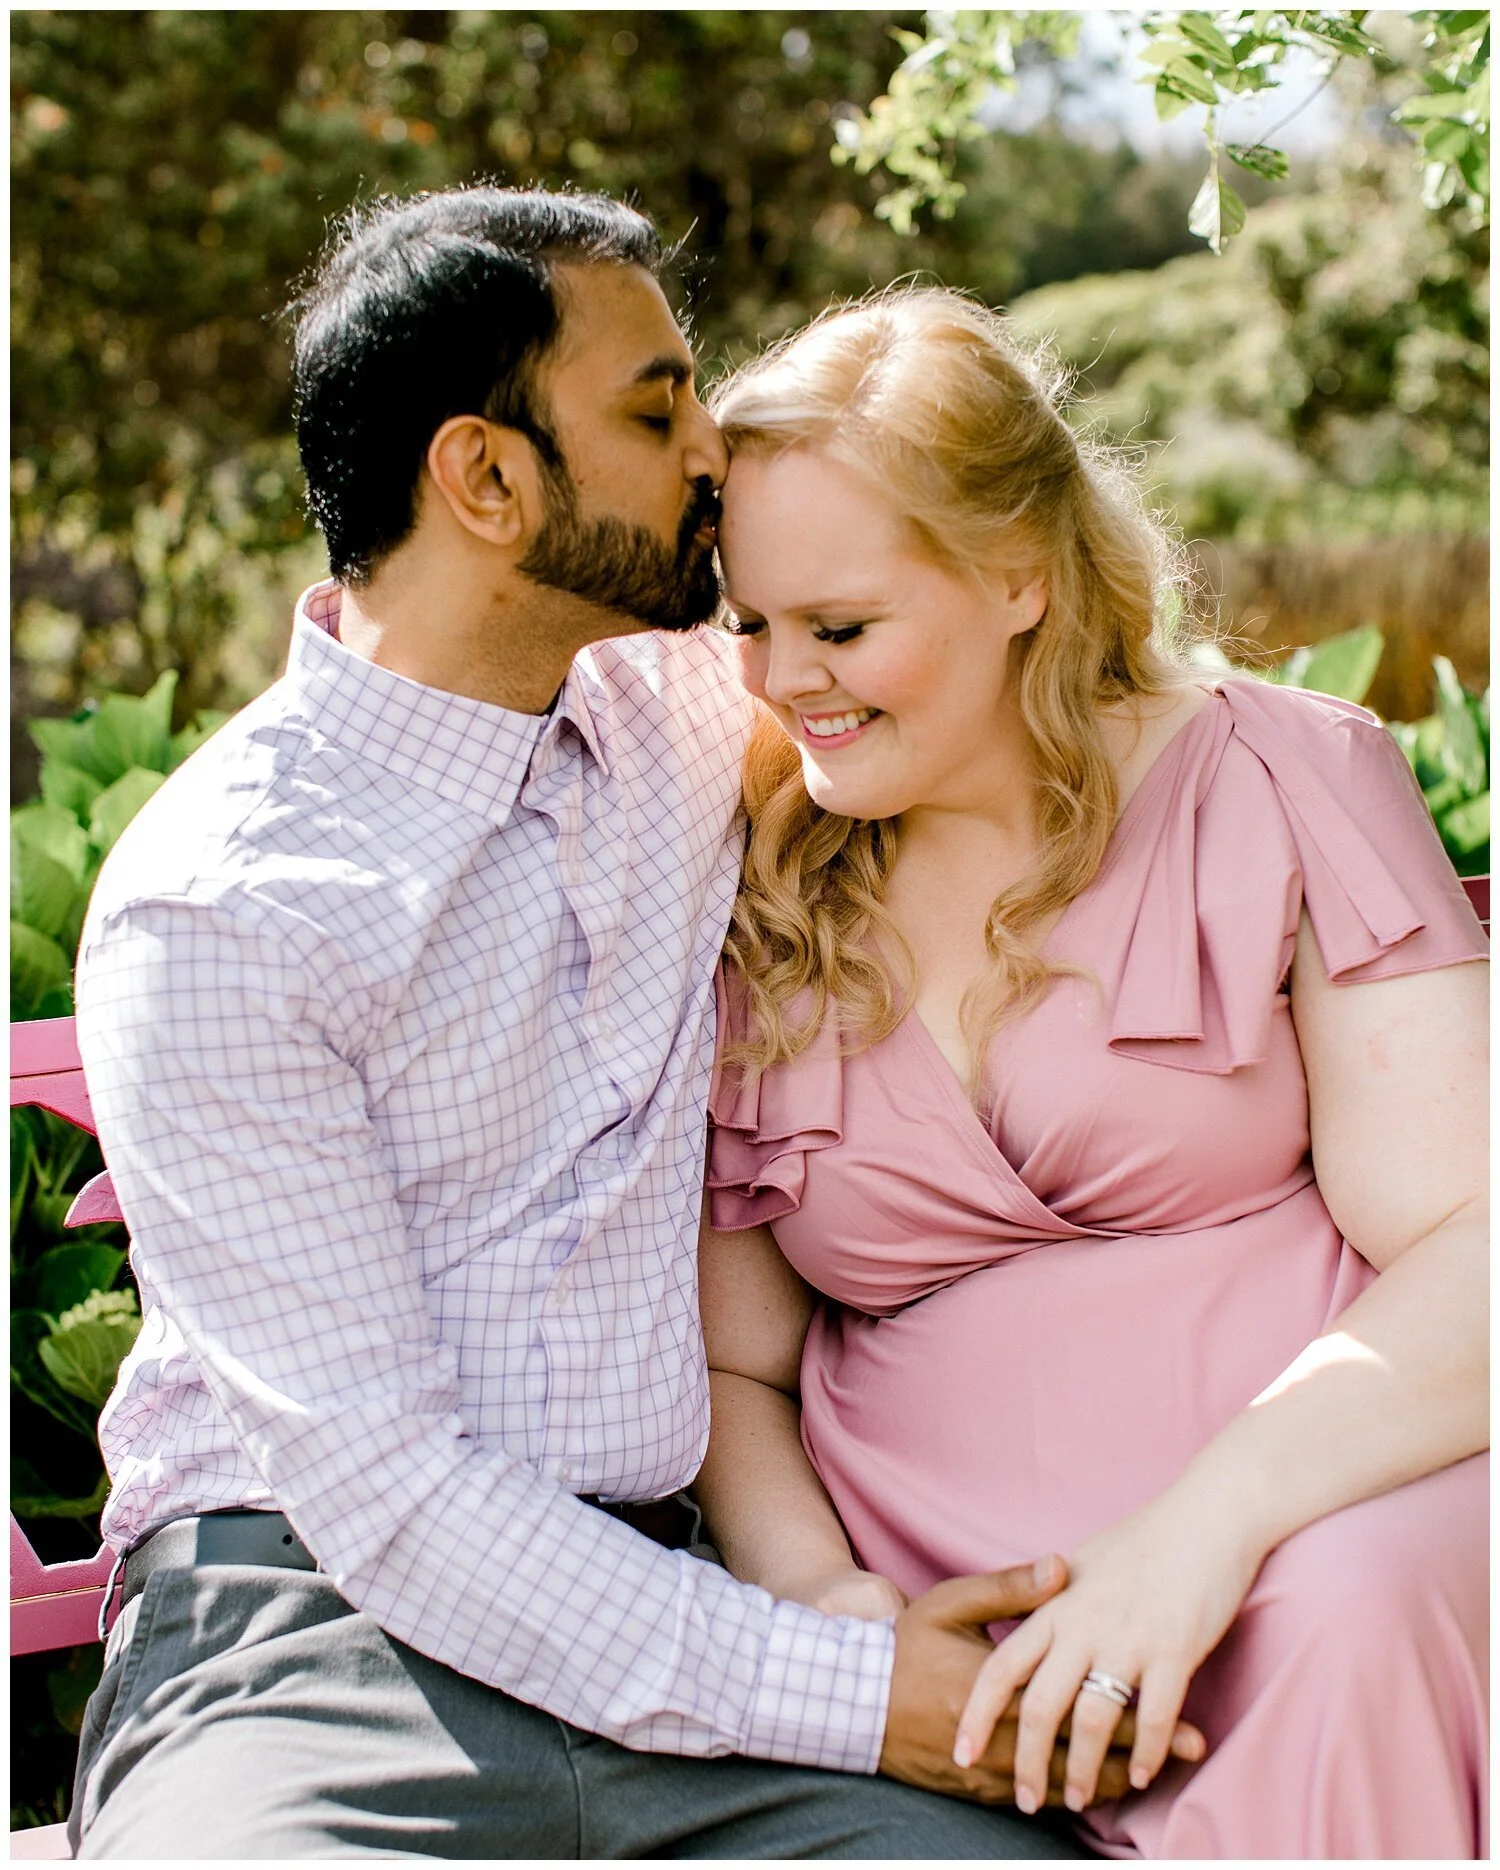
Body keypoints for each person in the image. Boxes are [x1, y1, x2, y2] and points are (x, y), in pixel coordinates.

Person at [65, 188, 1180, 1860]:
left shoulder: (694, 714)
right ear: (488, 480)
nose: (715, 449)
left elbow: (979, 651)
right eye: (659, 413)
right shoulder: (225, 908)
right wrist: (860, 1691)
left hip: (689, 1604)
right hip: (316, 1644)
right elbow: (387, 1490)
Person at [695, 287, 1489, 1859]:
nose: (784, 681)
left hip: (1320, 1520)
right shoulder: (756, 880)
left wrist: (1206, 1528)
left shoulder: (1285, 776)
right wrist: (826, 1607)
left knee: (1350, 1612)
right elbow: (736, 1371)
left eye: (838, 628)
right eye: (749, 625)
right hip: (960, 1624)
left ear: (1020, 575)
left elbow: (1479, 1237)